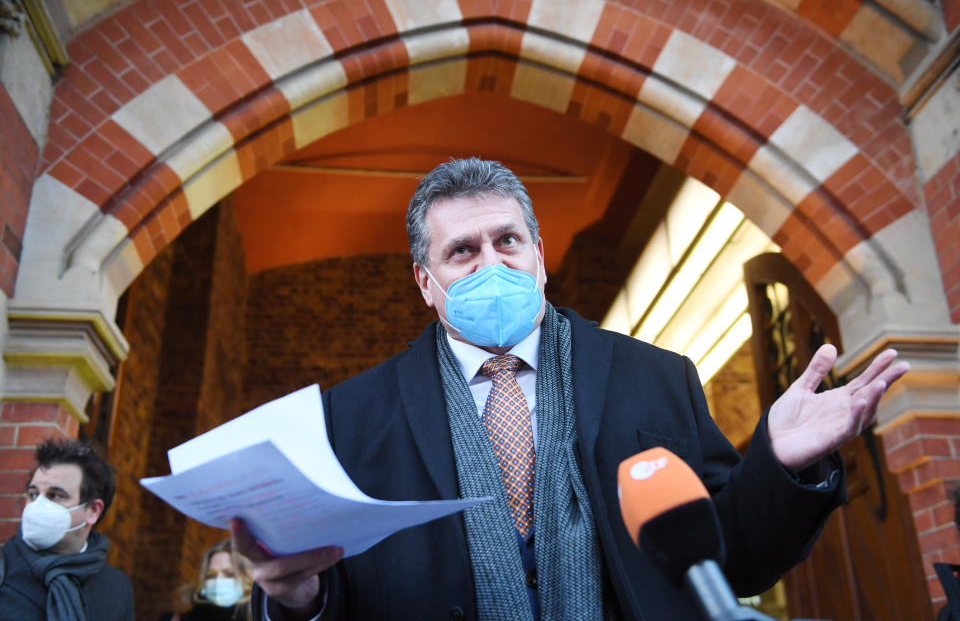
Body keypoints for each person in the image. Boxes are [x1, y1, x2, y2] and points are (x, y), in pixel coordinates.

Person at [233, 158, 910, 620]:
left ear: (540, 256)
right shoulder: (352, 416)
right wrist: (297, 597)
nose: (491, 263)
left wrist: (778, 462)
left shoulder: (655, 376)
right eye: (462, 251)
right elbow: (332, 596)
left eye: (508, 241)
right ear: (424, 281)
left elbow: (727, 556)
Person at [0, 436, 134, 621]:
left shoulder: (117, 589)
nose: (38, 505)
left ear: (93, 511)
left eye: (55, 496)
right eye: (33, 494)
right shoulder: (4, 566)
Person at [158, 539, 254, 621]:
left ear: (248, 577)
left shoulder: (260, 616)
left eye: (229, 574)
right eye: (211, 576)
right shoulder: (178, 617)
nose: (218, 580)